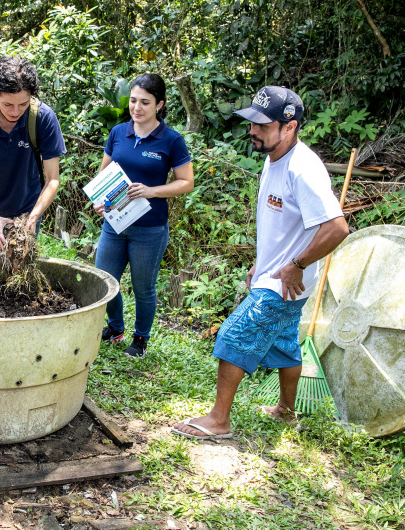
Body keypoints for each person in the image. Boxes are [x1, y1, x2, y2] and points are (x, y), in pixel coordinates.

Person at [172, 86, 349, 439]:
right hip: (277, 276)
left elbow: (337, 228)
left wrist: (296, 264)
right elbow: (282, 225)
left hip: (285, 283)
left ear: (290, 127)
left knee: (233, 336)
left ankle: (218, 421)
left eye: (262, 125)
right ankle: (285, 411)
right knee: (285, 344)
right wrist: (262, 261)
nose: (252, 130)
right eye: (251, 122)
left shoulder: (303, 169)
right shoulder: (274, 160)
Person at [95, 74, 195, 358]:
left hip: (149, 229)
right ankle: (115, 328)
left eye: (145, 103)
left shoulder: (171, 140)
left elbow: (186, 182)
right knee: (105, 280)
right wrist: (99, 201)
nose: (137, 108)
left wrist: (152, 191)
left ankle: (140, 339)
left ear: (159, 105)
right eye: (134, 101)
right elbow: (104, 174)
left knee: (143, 287)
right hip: (114, 223)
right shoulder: (118, 132)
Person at [0, 56, 67, 253]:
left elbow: (53, 180)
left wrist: (33, 217)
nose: (15, 112)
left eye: (23, 104)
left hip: (28, 208)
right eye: (8, 105)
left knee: (22, 271)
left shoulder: (43, 118)